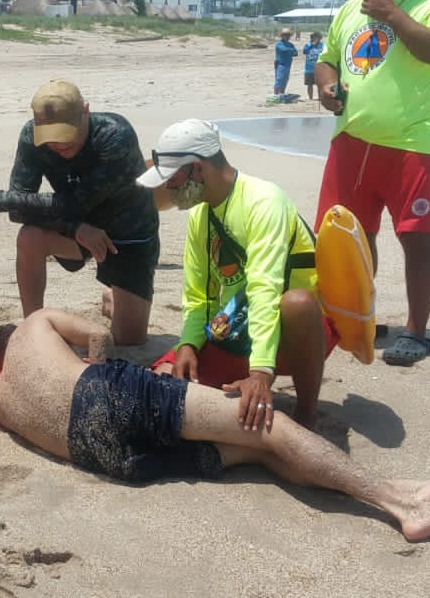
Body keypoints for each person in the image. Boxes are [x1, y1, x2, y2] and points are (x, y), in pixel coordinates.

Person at [0, 309, 430, 542]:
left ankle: (402, 489)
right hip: (105, 395)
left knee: (261, 453)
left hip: (103, 456)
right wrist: (96, 358)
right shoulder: (32, 325)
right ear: (12, 337)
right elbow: (97, 337)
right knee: (269, 427)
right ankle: (402, 505)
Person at [313, 0, 430, 366]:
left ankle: (416, 332)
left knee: (415, 236)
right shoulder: (350, 7)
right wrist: (326, 86)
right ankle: (361, 317)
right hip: (351, 140)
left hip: (410, 145)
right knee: (347, 237)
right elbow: (327, 58)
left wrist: (393, 14)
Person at [135, 119, 337, 428]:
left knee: (296, 302)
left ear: (198, 168)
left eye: (172, 179)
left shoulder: (264, 201)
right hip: (234, 327)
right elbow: (197, 296)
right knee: (160, 385)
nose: (168, 189)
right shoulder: (201, 214)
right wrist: (188, 345)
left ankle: (306, 412)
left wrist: (260, 374)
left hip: (296, 335)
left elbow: (264, 290)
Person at [0, 79, 159, 345]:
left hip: (128, 235)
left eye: (66, 131)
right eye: (50, 135)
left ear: (86, 112)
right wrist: (77, 229)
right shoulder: (31, 136)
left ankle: (113, 297)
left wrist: (2, 199)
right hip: (77, 229)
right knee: (29, 236)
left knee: (129, 341)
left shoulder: (116, 136)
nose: (58, 143)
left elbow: (76, 202)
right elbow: (20, 211)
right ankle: (32, 331)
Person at [273, 27, 297, 96]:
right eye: (285, 35)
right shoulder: (279, 43)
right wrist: (290, 50)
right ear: (282, 36)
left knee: (285, 80)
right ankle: (276, 95)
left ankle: (281, 94)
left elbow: (296, 53)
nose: (287, 36)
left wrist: (289, 50)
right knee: (279, 80)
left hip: (288, 65)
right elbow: (284, 50)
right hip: (280, 64)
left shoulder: (290, 44)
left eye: (288, 35)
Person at [302, 31, 325, 100]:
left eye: (315, 37)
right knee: (309, 84)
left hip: (319, 68)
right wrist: (312, 44)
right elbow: (304, 51)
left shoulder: (323, 45)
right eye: (312, 37)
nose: (313, 38)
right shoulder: (308, 45)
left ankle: (320, 97)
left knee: (319, 84)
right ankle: (310, 98)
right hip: (309, 69)